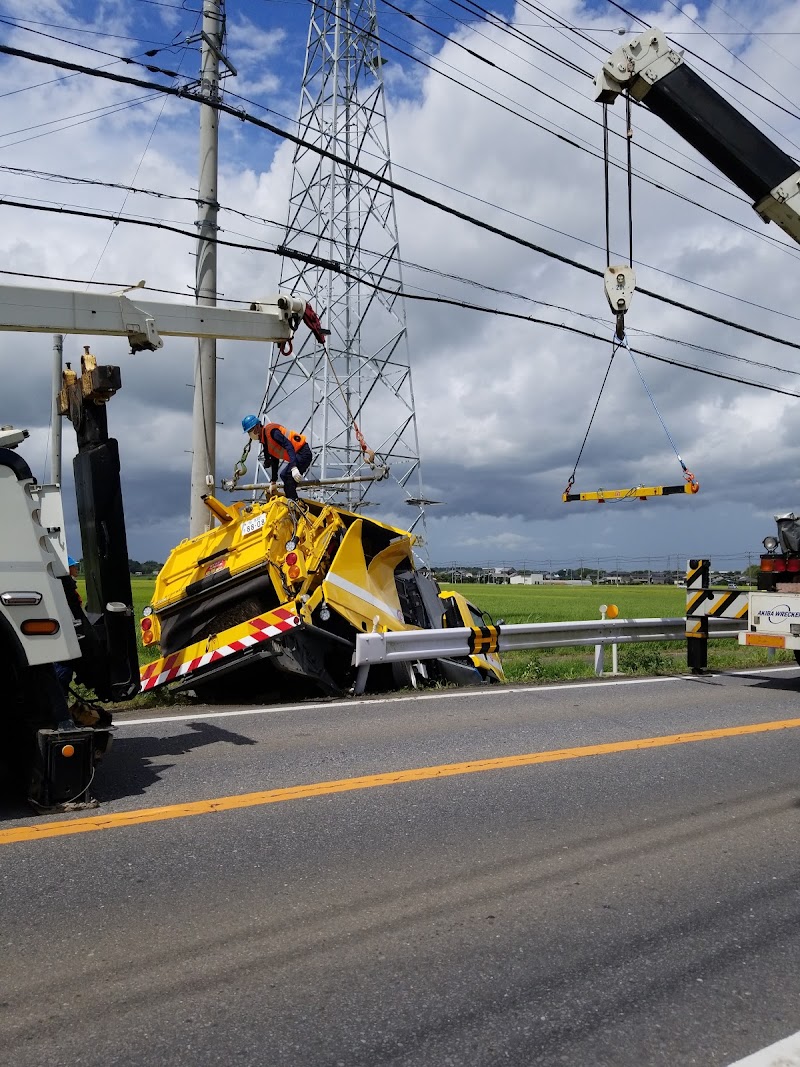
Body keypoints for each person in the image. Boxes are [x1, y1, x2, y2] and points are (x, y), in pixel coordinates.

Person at [242, 415, 312, 501]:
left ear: (257, 427)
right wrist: (273, 481)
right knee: (286, 477)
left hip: (303, 452)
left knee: (286, 475)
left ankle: (294, 502)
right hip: (297, 455)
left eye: (250, 431)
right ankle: (293, 500)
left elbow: (289, 446)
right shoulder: (265, 441)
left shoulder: (271, 432)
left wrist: (293, 467)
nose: (250, 435)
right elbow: (274, 460)